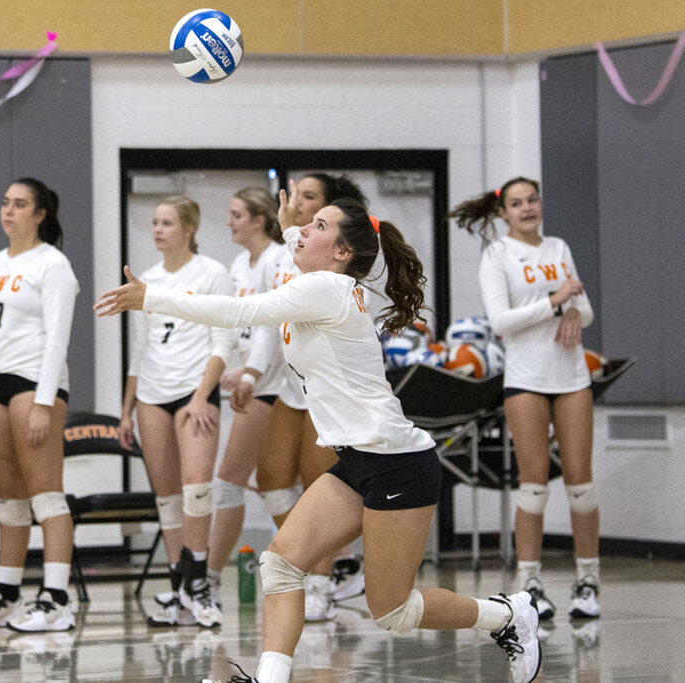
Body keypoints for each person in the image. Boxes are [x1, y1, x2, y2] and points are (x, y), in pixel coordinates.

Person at [97, 185, 542, 683]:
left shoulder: (325, 289)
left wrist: (150, 298)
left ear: (343, 253)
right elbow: (301, 257)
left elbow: (242, 311)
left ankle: (508, 615)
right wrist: (293, 230)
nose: (304, 230)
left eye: (319, 226)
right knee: (282, 564)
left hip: (397, 462)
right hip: (356, 462)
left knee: (392, 609)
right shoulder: (324, 281)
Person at [451, 177, 599, 622]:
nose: (527, 208)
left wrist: (573, 309)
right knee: (532, 482)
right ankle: (530, 583)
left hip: (571, 376)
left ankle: (587, 580)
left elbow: (586, 309)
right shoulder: (497, 254)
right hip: (526, 379)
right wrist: (556, 303)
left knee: (580, 482)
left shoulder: (558, 247)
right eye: (517, 203)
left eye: (532, 199)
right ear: (503, 213)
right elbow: (501, 322)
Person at [235, 173, 368, 620]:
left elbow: (256, 312)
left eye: (310, 198)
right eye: (296, 195)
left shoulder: (336, 267)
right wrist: (253, 373)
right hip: (292, 391)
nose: (298, 203)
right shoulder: (285, 256)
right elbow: (272, 324)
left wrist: (153, 299)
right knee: (272, 480)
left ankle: (323, 581)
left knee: (319, 488)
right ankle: (317, 562)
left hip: (327, 397)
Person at [0, 178, 80, 632]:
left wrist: (44, 403)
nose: (9, 211)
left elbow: (58, 337)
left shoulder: (53, 265)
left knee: (45, 493)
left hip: (33, 383)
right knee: (8, 498)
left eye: (20, 204)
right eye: (5, 202)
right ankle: (6, 595)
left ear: (40, 213)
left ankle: (55, 598)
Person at [119, 195, 234, 628]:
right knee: (167, 497)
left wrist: (203, 396)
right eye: (154, 222)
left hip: (194, 392)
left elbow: (224, 343)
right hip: (151, 394)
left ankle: (200, 580)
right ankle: (178, 584)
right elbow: (138, 351)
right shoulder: (146, 279)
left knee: (197, 489)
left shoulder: (212, 274)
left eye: (167, 222)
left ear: (189, 228)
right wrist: (127, 412)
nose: (158, 229)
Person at [204, 187, 283, 606]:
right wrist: (228, 368)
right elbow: (238, 325)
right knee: (277, 486)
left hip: (271, 387)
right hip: (250, 383)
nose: (230, 221)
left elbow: (276, 330)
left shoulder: (278, 259)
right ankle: (326, 569)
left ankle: (210, 582)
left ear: (258, 219)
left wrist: (252, 372)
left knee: (229, 483)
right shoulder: (239, 264)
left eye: (237, 214)